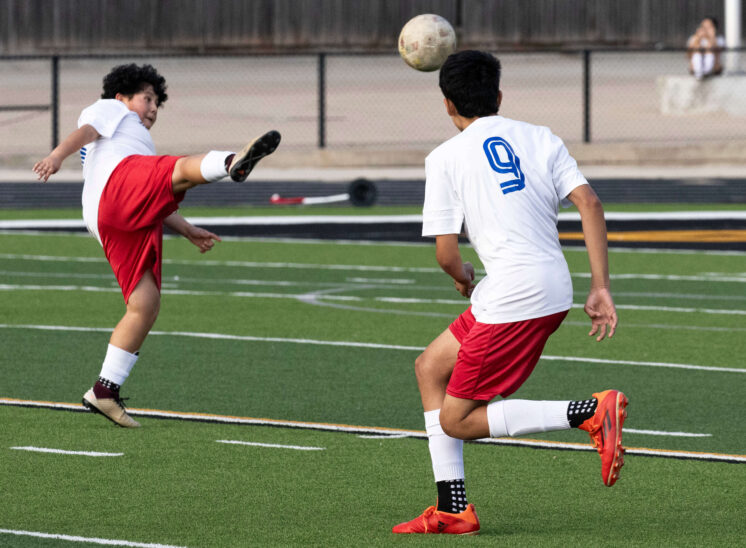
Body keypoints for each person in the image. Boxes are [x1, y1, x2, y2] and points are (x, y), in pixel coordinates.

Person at [391, 50, 625, 535]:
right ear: (498, 96)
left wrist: (461, 276)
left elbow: (446, 254)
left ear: (446, 104)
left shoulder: (444, 157)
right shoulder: (541, 137)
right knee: (430, 368)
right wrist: (600, 287)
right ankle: (453, 509)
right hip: (547, 286)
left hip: (513, 298)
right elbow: (590, 204)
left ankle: (588, 411)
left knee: (456, 420)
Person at [33, 63, 281, 428]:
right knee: (177, 171)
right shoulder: (111, 108)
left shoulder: (136, 140)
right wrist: (56, 156)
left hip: (111, 214)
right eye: (147, 99)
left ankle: (104, 390)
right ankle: (231, 161)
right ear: (122, 97)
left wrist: (187, 229)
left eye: (156, 103)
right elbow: (85, 132)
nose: (152, 108)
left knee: (145, 303)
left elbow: (151, 195)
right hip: (114, 189)